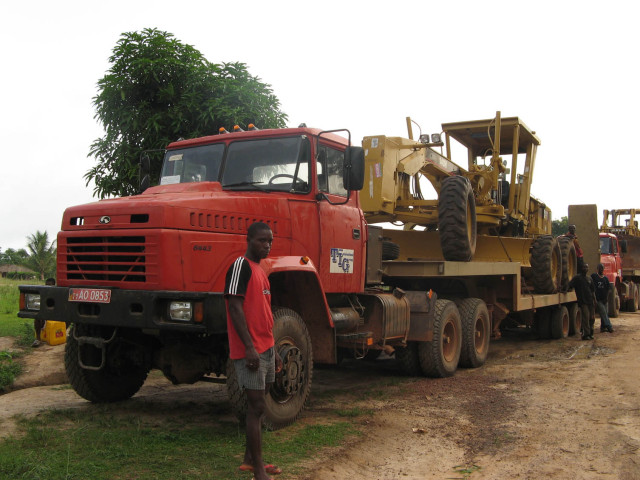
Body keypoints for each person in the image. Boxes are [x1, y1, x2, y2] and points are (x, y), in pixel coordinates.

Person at [225, 222, 283, 480]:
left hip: (266, 347)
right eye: (262, 240)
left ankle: (250, 460)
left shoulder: (261, 270)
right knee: (256, 406)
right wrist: (249, 347)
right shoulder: (241, 266)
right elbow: (234, 307)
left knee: (260, 403)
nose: (267, 245)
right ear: (248, 239)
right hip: (250, 350)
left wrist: (275, 350)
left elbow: (264, 313)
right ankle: (258, 471)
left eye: (269, 241)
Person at [569, 263, 596, 340]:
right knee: (586, 318)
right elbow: (570, 285)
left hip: (590, 301)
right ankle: (586, 334)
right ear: (581, 268)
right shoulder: (577, 278)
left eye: (587, 267)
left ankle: (591, 333)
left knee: (592, 318)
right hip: (583, 302)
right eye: (584, 267)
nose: (585, 269)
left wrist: (595, 300)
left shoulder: (589, 278)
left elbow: (593, 291)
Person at [32, 277, 55, 347]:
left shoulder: (57, 294)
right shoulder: (43, 294)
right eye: (46, 285)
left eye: (49, 285)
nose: (47, 287)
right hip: (46, 316)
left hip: (55, 316)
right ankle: (38, 339)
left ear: (54, 285)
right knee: (37, 318)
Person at [591, 263, 614, 333]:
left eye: (602, 268)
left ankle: (603, 327)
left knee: (605, 313)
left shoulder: (605, 278)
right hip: (598, 299)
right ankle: (609, 326)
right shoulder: (594, 276)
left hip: (604, 299)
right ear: (597, 269)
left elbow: (609, 289)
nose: (601, 269)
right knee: (603, 313)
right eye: (600, 268)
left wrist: (607, 297)